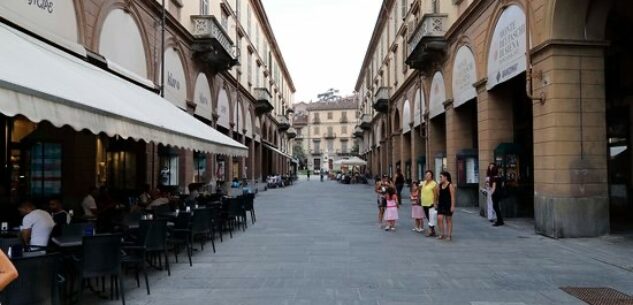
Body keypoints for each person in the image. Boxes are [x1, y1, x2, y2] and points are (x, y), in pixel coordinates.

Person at [436, 171, 456, 241]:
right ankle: (442, 233)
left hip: (448, 204)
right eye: (440, 177)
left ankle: (449, 235)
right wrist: (438, 186)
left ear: (445, 177)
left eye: (441, 177)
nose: (440, 178)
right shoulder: (440, 185)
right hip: (441, 204)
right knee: (439, 218)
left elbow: (452, 197)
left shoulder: (450, 185)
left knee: (448, 220)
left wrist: (452, 206)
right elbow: (438, 194)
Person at [420, 170, 438, 237]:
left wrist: (435, 202)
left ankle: (430, 231)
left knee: (431, 217)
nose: (427, 176)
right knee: (428, 217)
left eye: (429, 175)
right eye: (426, 175)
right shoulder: (423, 183)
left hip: (431, 203)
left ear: (431, 176)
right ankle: (433, 231)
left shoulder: (433, 183)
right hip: (424, 202)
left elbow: (435, 194)